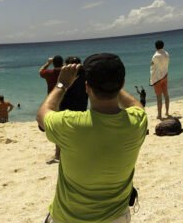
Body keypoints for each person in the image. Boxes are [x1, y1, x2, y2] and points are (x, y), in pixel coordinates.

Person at [36, 53, 147, 223]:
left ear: (87, 87)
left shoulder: (69, 124)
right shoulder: (137, 122)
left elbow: (42, 114)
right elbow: (135, 104)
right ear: (121, 84)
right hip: (116, 218)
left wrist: (62, 84)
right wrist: (112, 84)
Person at [49, 55, 90, 164]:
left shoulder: (64, 76)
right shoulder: (85, 75)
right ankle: (78, 153)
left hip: (65, 108)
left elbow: (60, 90)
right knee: (78, 131)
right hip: (81, 107)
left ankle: (58, 155)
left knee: (60, 132)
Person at [150, 40, 170, 120]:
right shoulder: (167, 54)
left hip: (157, 78)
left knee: (159, 97)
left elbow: (152, 65)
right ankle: (167, 112)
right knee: (166, 94)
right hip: (165, 75)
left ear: (155, 46)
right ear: (163, 45)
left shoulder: (155, 56)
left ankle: (159, 115)